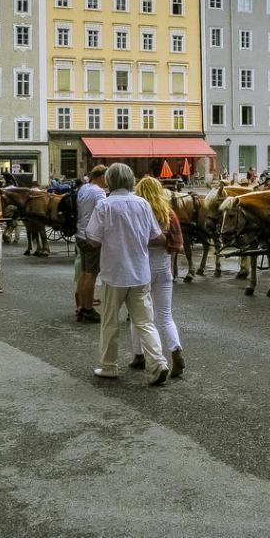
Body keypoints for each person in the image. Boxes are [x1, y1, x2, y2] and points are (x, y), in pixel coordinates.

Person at [84, 162, 171, 386]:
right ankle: (158, 363)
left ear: (110, 181)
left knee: (110, 323)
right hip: (140, 272)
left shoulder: (105, 206)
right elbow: (157, 236)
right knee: (145, 322)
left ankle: (109, 366)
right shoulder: (142, 204)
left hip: (114, 273)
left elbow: (93, 239)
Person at [129, 177, 186, 378]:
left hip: (141, 268)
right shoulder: (167, 212)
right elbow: (175, 243)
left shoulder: (137, 212)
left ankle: (139, 355)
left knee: (138, 315)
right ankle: (176, 352)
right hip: (164, 267)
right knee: (165, 315)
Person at [75, 165, 108, 322]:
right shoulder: (99, 192)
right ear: (101, 177)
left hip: (80, 234)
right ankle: (89, 309)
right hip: (92, 237)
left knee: (83, 272)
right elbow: (105, 211)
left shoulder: (84, 188)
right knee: (91, 274)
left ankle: (81, 307)